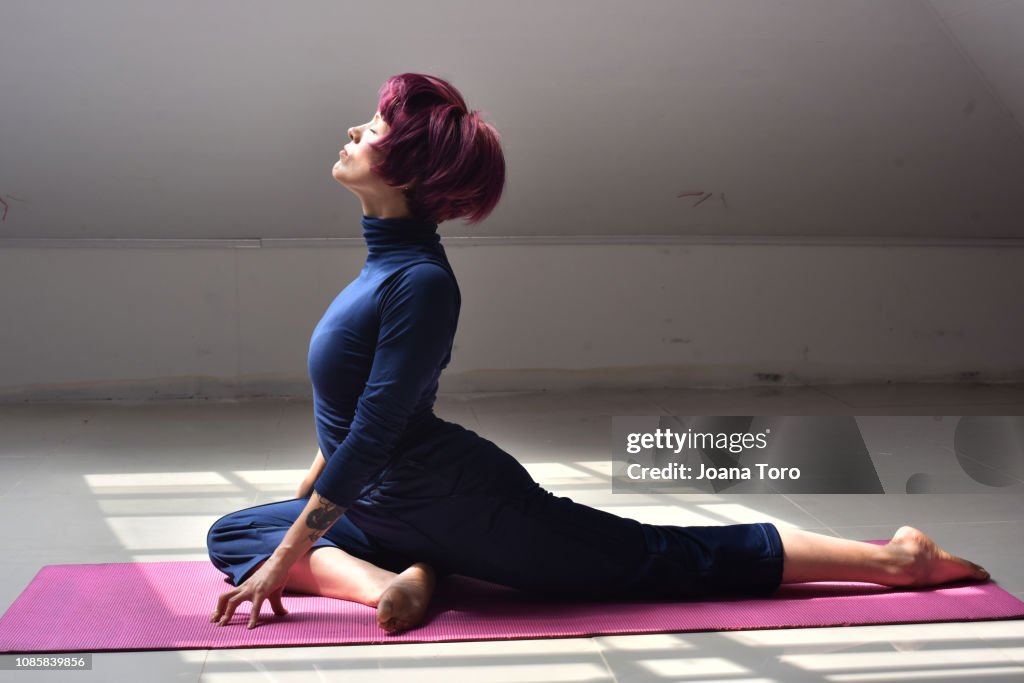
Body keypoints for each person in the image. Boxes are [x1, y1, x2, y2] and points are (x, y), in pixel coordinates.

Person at [206, 72, 990, 633]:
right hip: (386, 510)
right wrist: (292, 526)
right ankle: (402, 578)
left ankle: (896, 561)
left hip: (463, 504)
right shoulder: (384, 266)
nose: (352, 131)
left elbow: (376, 430)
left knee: (655, 557)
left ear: (408, 169)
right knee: (236, 532)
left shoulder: (419, 283)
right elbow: (342, 424)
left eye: (370, 129)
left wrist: (293, 553)